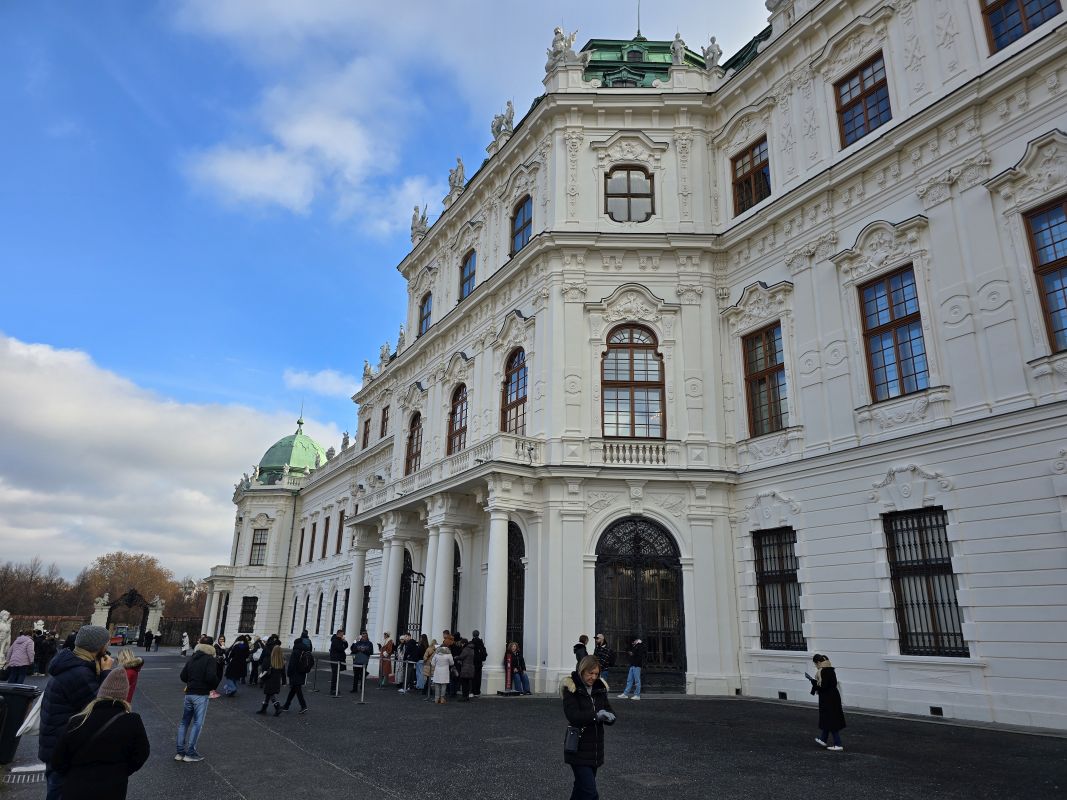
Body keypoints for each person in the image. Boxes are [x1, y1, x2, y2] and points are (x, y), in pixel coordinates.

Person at [49, 668, 149, 800]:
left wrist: (73, 773)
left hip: (76, 786)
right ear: (125, 695)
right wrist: (122, 771)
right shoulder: (132, 721)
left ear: (101, 693)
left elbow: (57, 760)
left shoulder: (77, 720)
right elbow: (142, 754)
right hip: (113, 787)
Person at [40, 625, 113, 799]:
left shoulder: (72, 664)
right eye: (107, 642)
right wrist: (107, 673)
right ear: (98, 646)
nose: (109, 646)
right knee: (61, 792)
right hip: (64, 748)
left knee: (56, 788)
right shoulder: (79, 673)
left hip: (57, 744)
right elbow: (100, 709)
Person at [562, 654, 617, 800]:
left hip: (595, 750)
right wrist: (596, 716)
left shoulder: (599, 688)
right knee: (590, 793)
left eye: (596, 674)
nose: (593, 677)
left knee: (580, 788)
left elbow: (608, 709)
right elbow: (573, 715)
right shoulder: (571, 688)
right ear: (582, 671)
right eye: (590, 673)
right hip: (577, 748)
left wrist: (610, 717)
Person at [176, 635, 222, 762]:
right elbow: (211, 677)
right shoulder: (209, 659)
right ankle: (190, 752)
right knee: (197, 723)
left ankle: (180, 752)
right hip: (201, 694)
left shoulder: (193, 658)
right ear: (211, 647)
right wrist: (214, 684)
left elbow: (183, 676)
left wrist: (192, 680)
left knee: (184, 722)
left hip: (189, 692)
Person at [809, 653, 847, 751]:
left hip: (828, 699)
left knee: (831, 720)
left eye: (815, 664)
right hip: (833, 697)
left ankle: (838, 744)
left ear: (818, 662)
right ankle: (823, 739)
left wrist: (814, 683)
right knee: (828, 719)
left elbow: (823, 687)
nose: (815, 666)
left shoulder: (823, 671)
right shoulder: (830, 669)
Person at [282, 630, 312, 713]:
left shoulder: (296, 651)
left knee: (297, 690)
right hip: (302, 672)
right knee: (293, 690)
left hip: (295, 673)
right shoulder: (306, 650)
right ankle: (286, 705)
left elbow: (292, 664)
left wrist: (288, 673)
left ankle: (303, 706)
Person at [257, 645, 285, 716]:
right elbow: (283, 673)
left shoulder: (270, 660)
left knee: (270, 694)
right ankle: (264, 709)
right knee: (268, 694)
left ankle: (277, 707)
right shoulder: (281, 661)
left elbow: (265, 670)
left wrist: (262, 678)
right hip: (277, 680)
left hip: (269, 679)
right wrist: (284, 682)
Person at [618, 636, 645, 701]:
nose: (632, 643)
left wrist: (633, 656)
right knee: (629, 680)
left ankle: (637, 695)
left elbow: (639, 656)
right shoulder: (635, 646)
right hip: (633, 665)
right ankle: (625, 694)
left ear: (636, 640)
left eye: (633, 641)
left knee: (637, 681)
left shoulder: (640, 646)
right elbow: (631, 652)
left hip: (636, 665)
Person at [328, 629, 348, 694]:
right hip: (335, 660)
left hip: (338, 659)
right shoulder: (335, 640)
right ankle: (333, 689)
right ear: (339, 634)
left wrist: (344, 642)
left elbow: (346, 646)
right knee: (335, 675)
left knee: (336, 675)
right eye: (342, 635)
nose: (343, 636)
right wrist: (343, 645)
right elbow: (340, 649)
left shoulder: (339, 640)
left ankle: (335, 688)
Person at [469, 629, 487, 696]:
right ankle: (477, 691)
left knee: (472, 678)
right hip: (479, 663)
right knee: (478, 677)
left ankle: (473, 691)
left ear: (473, 634)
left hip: (473, 662)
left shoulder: (472, 642)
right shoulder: (481, 642)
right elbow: (484, 653)